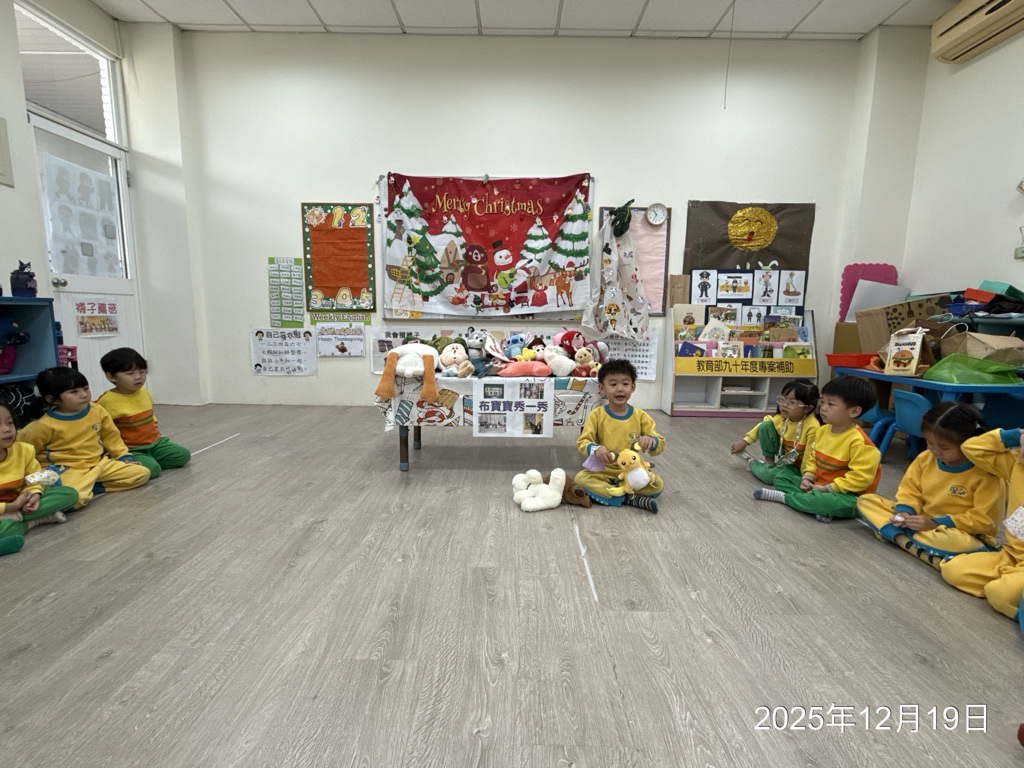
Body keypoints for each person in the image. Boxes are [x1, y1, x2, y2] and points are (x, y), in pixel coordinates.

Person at [857, 403, 1004, 568]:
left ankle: (899, 538)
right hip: (919, 522)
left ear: (969, 442)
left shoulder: (987, 473)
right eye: (929, 442)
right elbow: (910, 490)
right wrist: (905, 512)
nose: (935, 450)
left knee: (957, 542)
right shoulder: (925, 458)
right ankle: (916, 545)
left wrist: (935, 523)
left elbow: (984, 520)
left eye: (944, 447)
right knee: (867, 501)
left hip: (960, 532)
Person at [18, 367, 150, 509]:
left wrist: (123, 457)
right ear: (52, 399)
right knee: (76, 499)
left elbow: (111, 437)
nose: (84, 395)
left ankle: (91, 485)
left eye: (85, 389)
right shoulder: (43, 425)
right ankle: (68, 487)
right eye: (74, 392)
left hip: (99, 464)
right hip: (67, 469)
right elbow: (22, 450)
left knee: (141, 473)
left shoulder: (96, 410)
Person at [752, 375, 880, 522]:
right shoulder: (823, 430)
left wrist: (827, 488)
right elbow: (813, 458)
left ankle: (786, 498)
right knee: (782, 478)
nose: (823, 407)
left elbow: (860, 479)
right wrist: (808, 477)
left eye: (831, 404)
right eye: (823, 401)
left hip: (849, 495)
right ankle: (813, 503)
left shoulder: (861, 443)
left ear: (854, 412)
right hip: (819, 484)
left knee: (833, 502)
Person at [940, 427, 1024, 629]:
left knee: (999, 594)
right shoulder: (1017, 464)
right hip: (1012, 555)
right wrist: (1017, 435)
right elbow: (972, 448)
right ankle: (1013, 584)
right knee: (954, 570)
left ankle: (1016, 600)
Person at [575, 359, 665, 513]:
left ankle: (614, 492)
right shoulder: (597, 414)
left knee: (657, 484)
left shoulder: (640, 416)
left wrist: (651, 441)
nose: (619, 389)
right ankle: (628, 497)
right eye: (613, 384)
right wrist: (596, 449)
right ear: (601, 388)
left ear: (633, 387)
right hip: (603, 470)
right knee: (581, 478)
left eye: (625, 383)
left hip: (632, 471)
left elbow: (659, 443)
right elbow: (583, 442)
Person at [96, 348, 191, 479]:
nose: (138, 377)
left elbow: (150, 415)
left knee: (182, 455)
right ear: (111, 376)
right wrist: (117, 453)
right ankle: (124, 462)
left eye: (142, 372)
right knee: (152, 469)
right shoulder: (106, 401)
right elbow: (102, 431)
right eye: (130, 373)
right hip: (130, 449)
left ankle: (148, 459)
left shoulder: (144, 392)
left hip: (155, 443)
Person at [0, 403, 79, 556]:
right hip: (9, 508)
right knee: (5, 529)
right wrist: (11, 507)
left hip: (22, 505)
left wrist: (35, 494)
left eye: (9, 422)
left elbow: (34, 478)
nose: (7, 429)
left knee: (69, 494)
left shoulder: (23, 450)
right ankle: (31, 522)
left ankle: (18, 522)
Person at [731, 378, 819, 487]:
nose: (784, 405)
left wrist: (806, 477)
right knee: (766, 425)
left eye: (792, 402)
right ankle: (769, 463)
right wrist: (745, 441)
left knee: (770, 476)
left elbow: (810, 456)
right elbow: (763, 426)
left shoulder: (812, 426)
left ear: (807, 408)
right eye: (783, 399)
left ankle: (754, 463)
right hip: (786, 460)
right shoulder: (783, 418)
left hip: (800, 468)